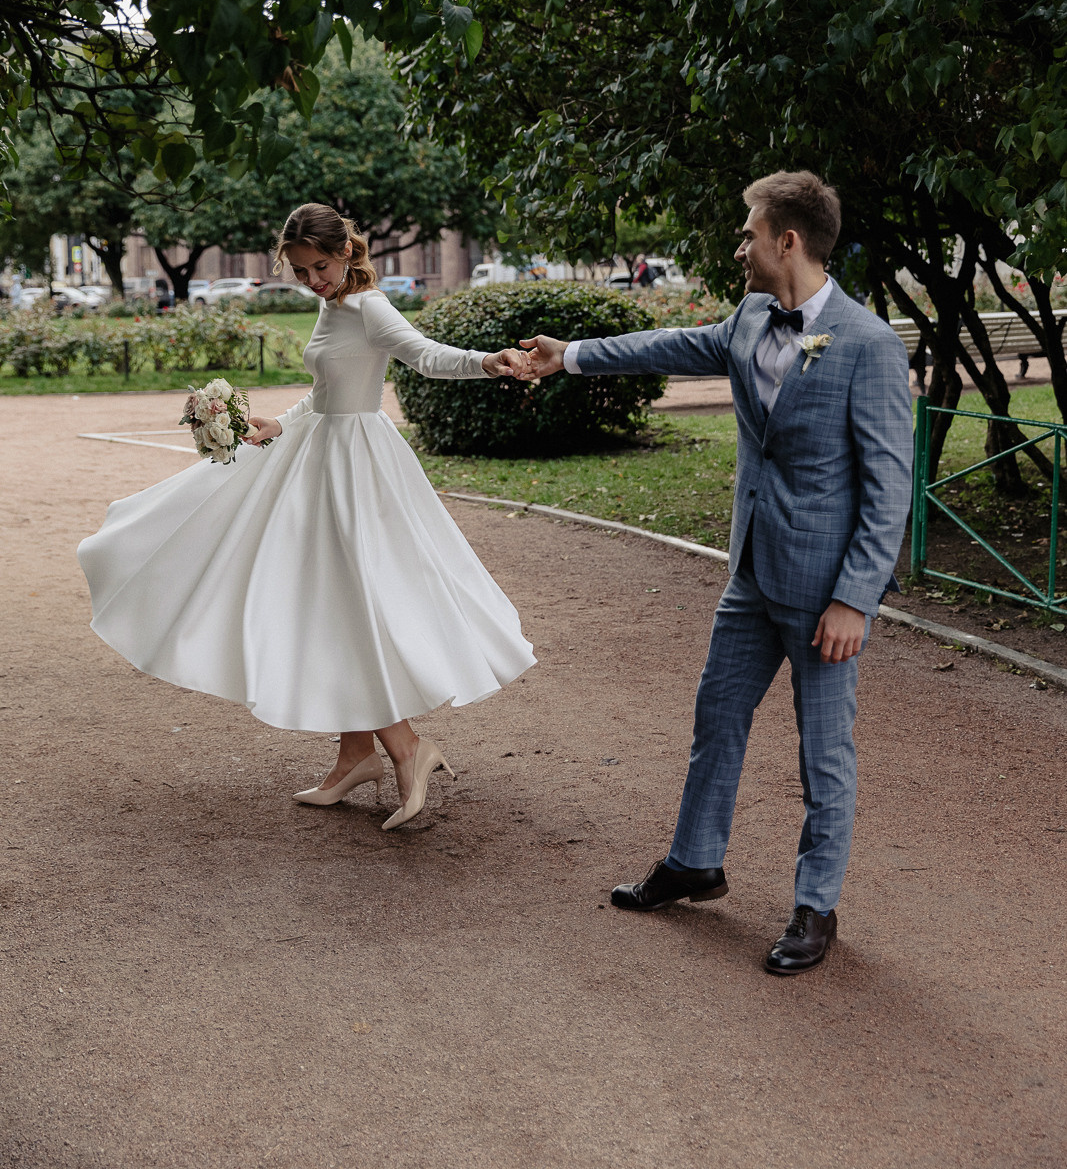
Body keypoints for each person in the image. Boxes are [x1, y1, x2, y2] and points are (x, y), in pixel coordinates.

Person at [518, 171, 912, 974]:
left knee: (822, 753)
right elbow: (671, 345)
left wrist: (854, 599)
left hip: (822, 595)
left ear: (786, 241)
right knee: (715, 719)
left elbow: (889, 489)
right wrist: (571, 357)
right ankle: (695, 862)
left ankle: (815, 906)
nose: (739, 248)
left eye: (747, 234)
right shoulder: (750, 316)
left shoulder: (866, 344)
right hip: (749, 575)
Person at [78, 203, 536, 830]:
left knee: (351, 601)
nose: (313, 280)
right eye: (300, 271)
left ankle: (406, 748)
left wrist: (487, 361)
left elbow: (424, 355)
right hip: (320, 457)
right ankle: (356, 756)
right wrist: (280, 423)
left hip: (357, 470)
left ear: (346, 251)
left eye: (320, 266)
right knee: (330, 602)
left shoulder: (369, 306)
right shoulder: (332, 306)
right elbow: (324, 393)